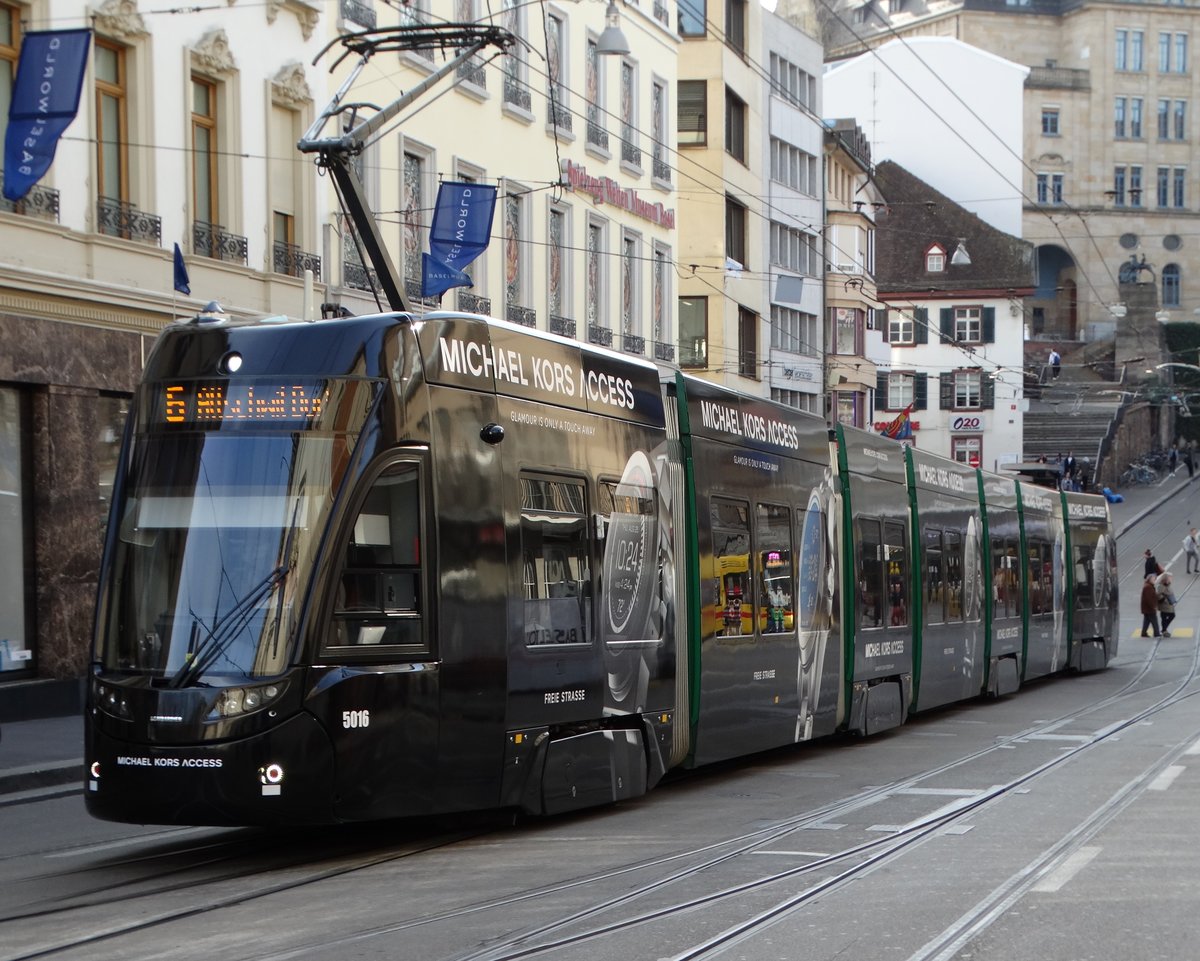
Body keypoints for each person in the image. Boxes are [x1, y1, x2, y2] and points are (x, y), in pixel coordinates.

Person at [1156, 572, 1177, 637]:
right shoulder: (1161, 586)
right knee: (1170, 616)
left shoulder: (1167, 585)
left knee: (1166, 617)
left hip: (1168, 604)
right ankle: (1164, 630)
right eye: (1170, 578)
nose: (1171, 579)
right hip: (1164, 605)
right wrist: (1164, 599)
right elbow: (1158, 595)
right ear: (1165, 579)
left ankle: (1164, 630)